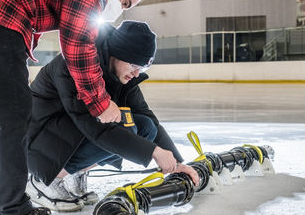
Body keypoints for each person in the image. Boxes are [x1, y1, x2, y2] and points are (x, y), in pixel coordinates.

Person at [0, 0, 147, 214]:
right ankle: (13, 209)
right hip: (6, 18)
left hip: (12, 21)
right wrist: (101, 103)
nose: (120, 9)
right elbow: (76, 42)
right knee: (13, 116)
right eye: (125, 3)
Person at [25, 21, 200, 212]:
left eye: (143, 67)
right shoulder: (77, 66)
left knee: (144, 126)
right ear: (117, 53)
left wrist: (177, 162)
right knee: (124, 129)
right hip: (38, 140)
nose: (136, 73)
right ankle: (43, 181)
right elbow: (95, 129)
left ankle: (73, 173)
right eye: (134, 64)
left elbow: (145, 115)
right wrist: (154, 152)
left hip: (68, 135)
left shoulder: (122, 74)